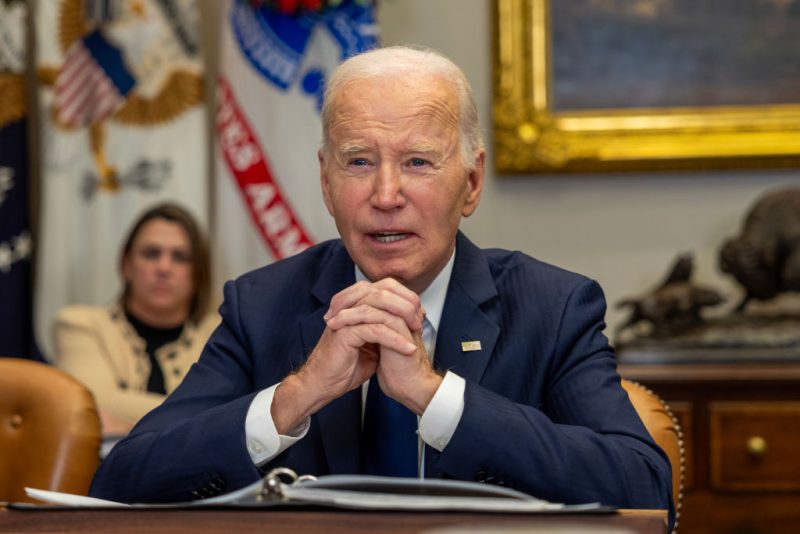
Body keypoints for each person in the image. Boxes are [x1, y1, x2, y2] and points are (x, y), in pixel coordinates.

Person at [90, 46, 673, 527]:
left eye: (418, 162)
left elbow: (646, 490)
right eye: (359, 162)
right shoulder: (263, 304)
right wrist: (297, 395)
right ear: (325, 181)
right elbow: (119, 483)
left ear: (470, 183)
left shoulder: (551, 307)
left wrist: (435, 396)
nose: (386, 194)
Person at [53, 202, 219, 435]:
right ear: (126, 265)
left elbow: (235, 414)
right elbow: (93, 402)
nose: (163, 267)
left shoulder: (222, 334)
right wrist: (202, 418)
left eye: (180, 257)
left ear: (198, 272)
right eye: (151, 253)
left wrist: (126, 427)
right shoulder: (80, 325)